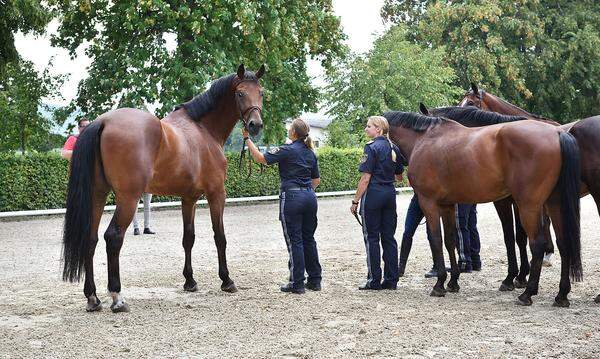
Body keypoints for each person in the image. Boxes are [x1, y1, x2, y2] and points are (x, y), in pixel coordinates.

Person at [243, 118, 322, 294]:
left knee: (295, 240)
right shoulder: (311, 153)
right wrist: (306, 191)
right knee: (309, 238)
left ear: (294, 133)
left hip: (292, 197)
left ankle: (297, 282)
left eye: (290, 128)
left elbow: (261, 158)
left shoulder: (287, 150)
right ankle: (315, 280)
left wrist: (247, 139)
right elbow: (316, 180)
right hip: (310, 196)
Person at [350, 116, 404, 290]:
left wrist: (355, 201)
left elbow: (365, 178)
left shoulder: (371, 147)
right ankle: (391, 279)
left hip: (373, 194)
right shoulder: (393, 148)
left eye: (369, 126)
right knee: (389, 238)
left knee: (372, 238)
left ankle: (374, 280)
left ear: (378, 130)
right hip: (389, 194)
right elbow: (399, 176)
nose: (366, 129)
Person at [398, 193, 438, 278]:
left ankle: (437, 266)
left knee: (432, 234)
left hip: (432, 199)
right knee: (408, 232)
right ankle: (401, 267)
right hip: (418, 196)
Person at [455, 204, 481, 272]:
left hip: (460, 197)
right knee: (471, 226)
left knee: (460, 227)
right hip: (472, 196)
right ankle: (475, 262)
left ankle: (464, 262)